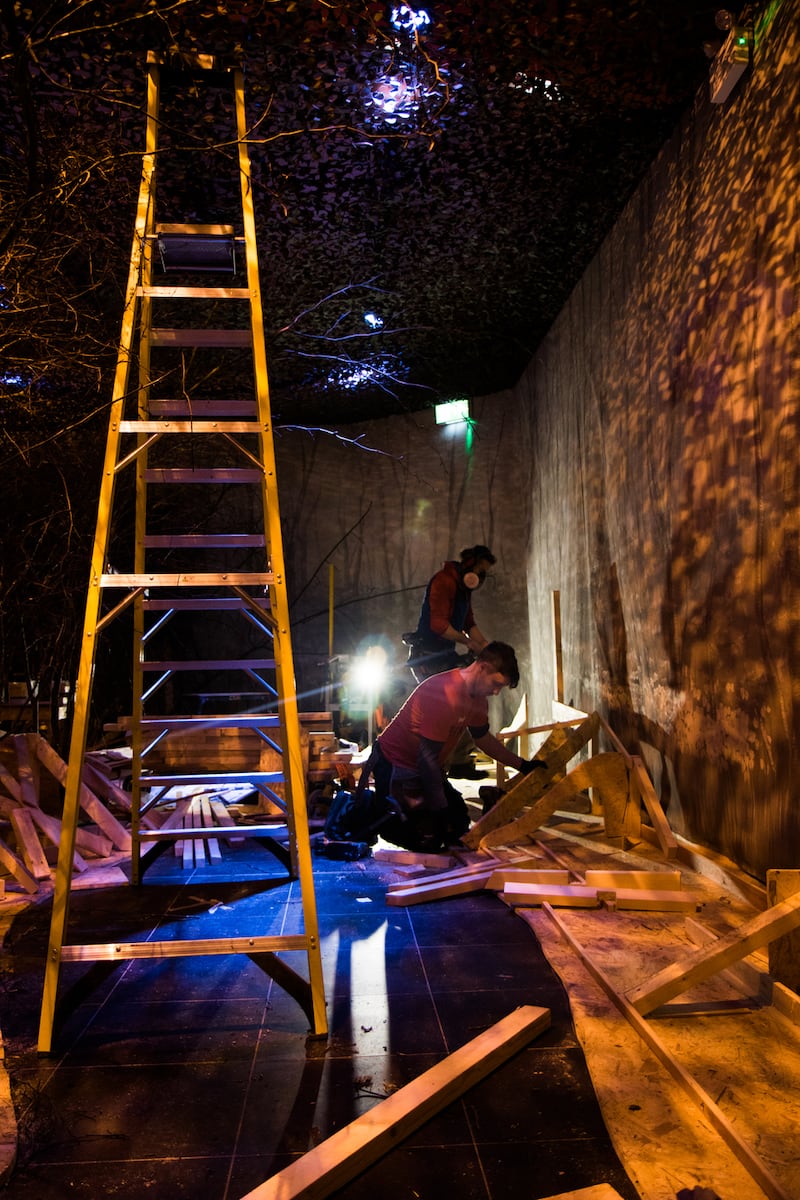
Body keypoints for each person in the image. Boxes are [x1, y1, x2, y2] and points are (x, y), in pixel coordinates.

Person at [366, 641, 545, 852]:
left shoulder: (478, 700)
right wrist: (439, 809)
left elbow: (483, 739)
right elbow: (427, 761)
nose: (496, 692)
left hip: (424, 766)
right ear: (482, 667)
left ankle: (412, 815)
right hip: (395, 765)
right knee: (425, 838)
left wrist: (522, 765)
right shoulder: (445, 693)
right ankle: (376, 811)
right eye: (495, 684)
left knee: (457, 825)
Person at [405, 544, 496, 683]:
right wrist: (469, 642)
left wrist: (484, 646)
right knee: (445, 698)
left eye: (484, 572)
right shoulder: (443, 581)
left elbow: (468, 623)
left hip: (444, 654)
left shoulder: (463, 590)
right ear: (469, 563)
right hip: (427, 656)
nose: (480, 576)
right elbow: (438, 625)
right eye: (480, 569)